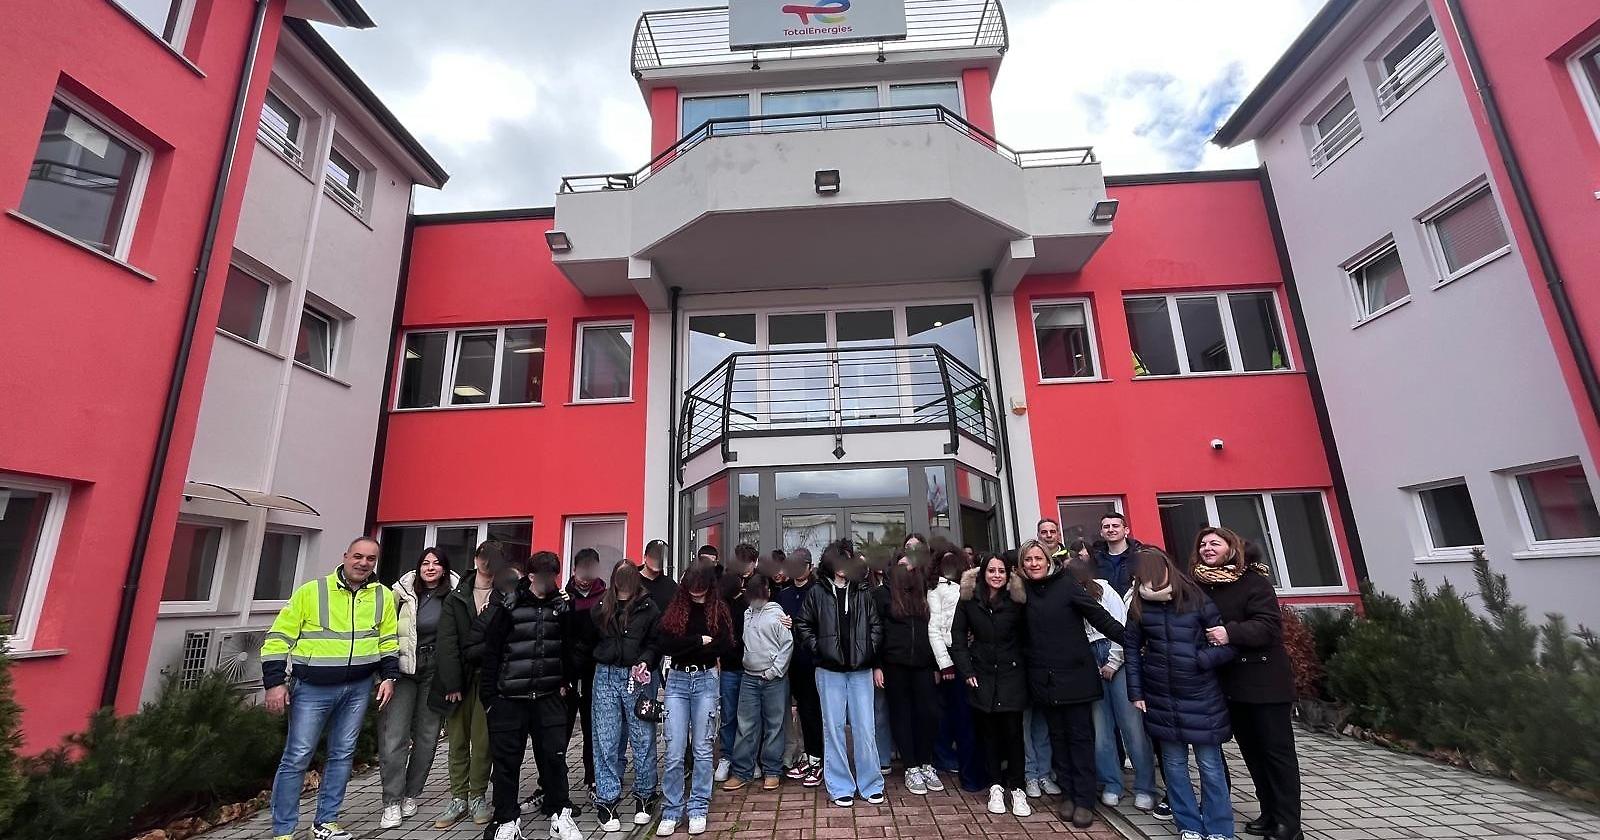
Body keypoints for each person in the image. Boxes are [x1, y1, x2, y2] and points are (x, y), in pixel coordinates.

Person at [262, 537, 399, 840]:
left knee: (342, 755)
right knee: (297, 756)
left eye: (371, 559)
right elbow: (278, 637)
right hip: (313, 688)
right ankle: (283, 831)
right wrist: (274, 683)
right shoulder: (313, 591)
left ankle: (326, 822)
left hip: (358, 687)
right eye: (358, 556)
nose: (363, 563)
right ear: (345, 556)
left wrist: (389, 676)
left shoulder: (383, 595)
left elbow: (387, 640)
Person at [1193, 530, 1302, 840]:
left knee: (1276, 753)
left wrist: (1231, 633)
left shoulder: (1254, 582)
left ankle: (1289, 823)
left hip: (1264, 681)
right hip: (1231, 683)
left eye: (1215, 543)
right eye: (1203, 544)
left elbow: (1268, 626)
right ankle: (1269, 812)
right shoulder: (1202, 585)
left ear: (1232, 548)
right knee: (1252, 752)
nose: (1207, 548)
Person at [1126, 546, 1237, 840]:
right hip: (1159, 694)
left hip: (1201, 695)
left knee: (1209, 765)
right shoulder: (1139, 604)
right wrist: (1136, 692)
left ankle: (1219, 827)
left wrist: (1200, 660)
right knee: (1174, 765)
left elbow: (1226, 644)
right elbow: (1132, 649)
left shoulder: (1196, 598)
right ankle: (1188, 824)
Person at [1016, 538, 1125, 829]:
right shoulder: (1021, 592)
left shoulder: (1066, 585)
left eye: (1038, 558)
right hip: (1044, 679)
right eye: (1028, 560)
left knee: (1080, 739)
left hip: (1075, 677)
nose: (1034, 564)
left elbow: (1099, 617)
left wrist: (1130, 639)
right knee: (1058, 739)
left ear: (1048, 560)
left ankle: (1085, 799)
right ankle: (1068, 793)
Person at [478, 551, 582, 840]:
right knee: (506, 763)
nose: (550, 582)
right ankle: (506, 819)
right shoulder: (509, 606)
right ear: (532, 576)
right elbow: (491, 653)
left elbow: (569, 648)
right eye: (545, 576)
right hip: (509, 698)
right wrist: (490, 699)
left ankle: (560, 813)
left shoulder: (561, 608)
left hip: (548, 696)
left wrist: (566, 683)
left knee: (555, 758)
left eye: (554, 576)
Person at [1065, 544, 1156, 812]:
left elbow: (1121, 624)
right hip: (1088, 660)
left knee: (1132, 726)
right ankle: (1111, 783)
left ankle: (1144, 787)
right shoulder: (1066, 598)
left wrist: (1114, 662)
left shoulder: (1103, 589)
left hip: (1116, 653)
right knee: (1101, 728)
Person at [796, 539, 886, 809]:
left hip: (860, 670)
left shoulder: (863, 591)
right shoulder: (817, 592)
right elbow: (802, 624)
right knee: (833, 728)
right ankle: (840, 785)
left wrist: (868, 651)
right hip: (829, 671)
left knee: (865, 727)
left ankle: (871, 784)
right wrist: (819, 649)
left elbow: (876, 625)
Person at [380, 547, 461, 829]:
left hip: (435, 671)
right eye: (425, 563)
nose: (430, 568)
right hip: (403, 670)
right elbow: (384, 629)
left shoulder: (455, 595)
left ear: (444, 569)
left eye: (436, 564)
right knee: (395, 736)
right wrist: (385, 671)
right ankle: (392, 800)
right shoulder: (401, 593)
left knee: (427, 736)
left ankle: (411, 794)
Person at [655, 562, 735, 836]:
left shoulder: (718, 609)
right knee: (674, 749)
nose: (697, 596)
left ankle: (698, 806)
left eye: (701, 592)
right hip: (677, 680)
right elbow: (665, 645)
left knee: (703, 748)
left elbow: (724, 645)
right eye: (692, 591)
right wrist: (698, 642)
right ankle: (672, 809)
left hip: (706, 679)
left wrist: (691, 646)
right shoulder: (676, 609)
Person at [950, 553, 1032, 818]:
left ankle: (1017, 788)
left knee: (1013, 734)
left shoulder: (1017, 600)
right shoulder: (969, 600)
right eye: (991, 571)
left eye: (1001, 571)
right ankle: (995, 785)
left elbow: (1028, 635)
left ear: (1008, 574)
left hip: (1012, 673)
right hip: (981, 673)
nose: (996, 575)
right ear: (983, 573)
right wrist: (966, 670)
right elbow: (957, 636)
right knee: (988, 734)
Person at [430, 541, 503, 828]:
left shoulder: (505, 595)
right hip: (459, 679)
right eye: (485, 557)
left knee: (483, 742)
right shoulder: (456, 596)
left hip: (489, 679)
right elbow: (446, 641)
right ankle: (458, 796)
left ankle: (477, 796)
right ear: (476, 559)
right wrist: (452, 682)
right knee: (458, 740)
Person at [590, 560, 663, 833]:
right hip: (606, 674)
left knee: (642, 737)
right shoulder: (601, 606)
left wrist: (646, 661)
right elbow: (587, 640)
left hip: (637, 675)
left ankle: (645, 794)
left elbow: (656, 642)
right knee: (606, 739)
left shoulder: (649, 606)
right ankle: (607, 798)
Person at [874, 563, 943, 796]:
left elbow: (933, 631)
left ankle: (926, 763)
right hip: (894, 664)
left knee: (929, 713)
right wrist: (877, 665)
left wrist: (936, 665)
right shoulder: (882, 595)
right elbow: (876, 632)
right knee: (901, 715)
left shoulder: (924, 594)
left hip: (923, 663)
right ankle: (911, 767)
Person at [725, 573, 793, 791]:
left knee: (774, 725)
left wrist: (774, 671)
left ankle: (772, 770)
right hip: (749, 675)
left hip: (773, 678)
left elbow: (787, 645)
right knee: (745, 725)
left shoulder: (777, 615)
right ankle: (741, 771)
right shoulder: (747, 614)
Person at [928, 544, 983, 792]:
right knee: (957, 713)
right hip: (951, 656)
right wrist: (945, 664)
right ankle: (956, 762)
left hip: (974, 654)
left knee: (974, 713)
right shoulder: (935, 589)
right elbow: (934, 629)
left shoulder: (971, 585)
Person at [776, 548, 824, 787]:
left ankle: (818, 759)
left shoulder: (818, 592)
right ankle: (808, 755)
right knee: (801, 712)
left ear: (809, 566)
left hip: (813, 661)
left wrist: (796, 625)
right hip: (790, 661)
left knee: (813, 711)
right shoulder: (783, 595)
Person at [714, 543, 760, 781]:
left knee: (751, 716)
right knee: (729, 713)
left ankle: (749, 759)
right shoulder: (724, 587)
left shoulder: (759, 586)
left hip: (753, 663)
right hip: (729, 664)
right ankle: (727, 757)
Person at [564, 548, 606, 790]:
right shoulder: (563, 597)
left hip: (595, 671)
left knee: (593, 728)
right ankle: (552, 782)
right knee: (561, 730)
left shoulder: (605, 598)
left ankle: (592, 777)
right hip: (568, 674)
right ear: (574, 570)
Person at [1091, 512, 1143, 597]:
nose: (1111, 530)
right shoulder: (1094, 559)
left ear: (1126, 530)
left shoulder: (1140, 556)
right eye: (1106, 527)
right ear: (1101, 532)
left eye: (1115, 526)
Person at [641, 539, 679, 609]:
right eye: (654, 556)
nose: (657, 560)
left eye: (661, 557)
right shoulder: (633, 581)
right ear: (645, 557)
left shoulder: (670, 585)